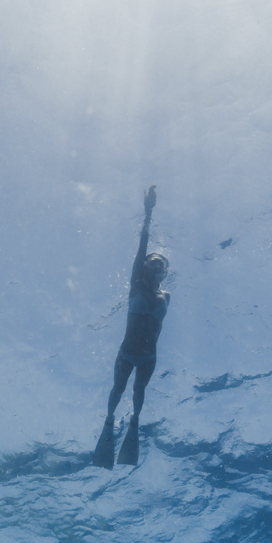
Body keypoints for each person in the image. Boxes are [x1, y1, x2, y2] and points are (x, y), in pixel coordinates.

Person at [93, 185, 170, 468]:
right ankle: (110, 419)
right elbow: (142, 244)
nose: (153, 263)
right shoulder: (134, 284)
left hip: (149, 358)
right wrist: (148, 211)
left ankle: (135, 420)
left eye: (158, 263)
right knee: (118, 389)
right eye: (151, 261)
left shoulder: (166, 297)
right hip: (126, 353)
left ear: (164, 272)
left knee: (139, 393)